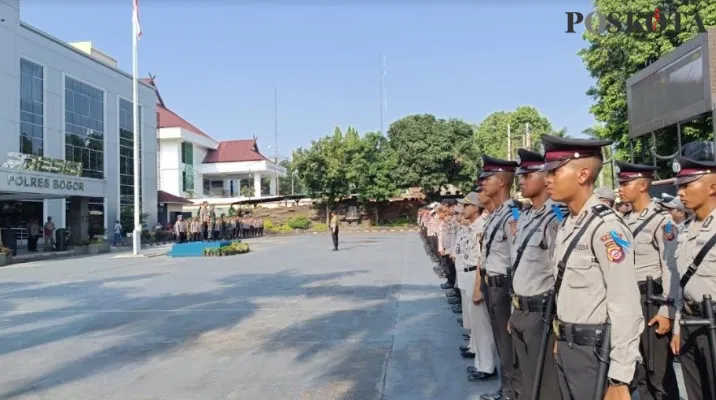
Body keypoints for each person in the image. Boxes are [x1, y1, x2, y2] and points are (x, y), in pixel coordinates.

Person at [541, 134, 643, 400]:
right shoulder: (569, 224)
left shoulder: (606, 227)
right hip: (570, 347)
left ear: (583, 174)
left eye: (554, 171)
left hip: (595, 354)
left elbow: (626, 305)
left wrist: (620, 377)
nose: (547, 178)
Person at [615, 161, 680, 400]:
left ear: (643, 185)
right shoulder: (623, 220)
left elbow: (671, 269)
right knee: (638, 369)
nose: (620, 188)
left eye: (625, 183)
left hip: (651, 300)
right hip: (630, 301)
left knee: (659, 373)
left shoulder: (662, 221)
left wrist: (667, 310)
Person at [508, 148, 565, 399]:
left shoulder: (557, 217)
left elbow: (561, 274)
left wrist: (558, 325)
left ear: (545, 177)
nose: (521, 180)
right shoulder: (527, 216)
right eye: (520, 175)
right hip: (522, 309)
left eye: (527, 175)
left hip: (542, 314)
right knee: (529, 380)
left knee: (546, 386)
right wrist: (514, 312)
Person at [473, 155, 522, 400]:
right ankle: (505, 390)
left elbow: (517, 260)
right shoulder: (497, 214)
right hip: (492, 286)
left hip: (505, 288)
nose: (482, 184)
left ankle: (513, 393)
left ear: (502, 181)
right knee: (502, 344)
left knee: (509, 344)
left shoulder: (513, 215)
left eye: (488, 178)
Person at [670, 156, 716, 400]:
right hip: (690, 320)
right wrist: (678, 326)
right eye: (680, 185)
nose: (681, 191)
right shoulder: (685, 229)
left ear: (712, 187)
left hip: (714, 322)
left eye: (688, 184)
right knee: (695, 392)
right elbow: (681, 285)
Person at [461, 189, 499, 382]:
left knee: (483, 326)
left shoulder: (481, 226)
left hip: (477, 278)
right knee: (477, 325)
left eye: (466, 205)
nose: (462, 209)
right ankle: (481, 361)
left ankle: (486, 367)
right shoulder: (474, 226)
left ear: (475, 208)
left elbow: (480, 260)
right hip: (470, 275)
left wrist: (477, 288)